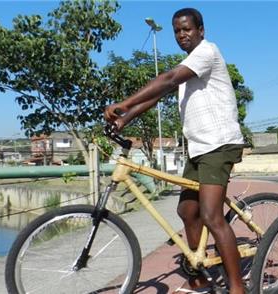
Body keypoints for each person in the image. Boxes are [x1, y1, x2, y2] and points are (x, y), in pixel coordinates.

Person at [104, 8, 246, 294]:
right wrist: (125, 118)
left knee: (210, 215)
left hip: (219, 144)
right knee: (187, 211)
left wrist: (123, 102)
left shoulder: (207, 52)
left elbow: (168, 80)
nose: (182, 35)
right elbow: (159, 95)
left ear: (201, 31)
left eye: (187, 29)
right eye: (177, 31)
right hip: (198, 147)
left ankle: (237, 287)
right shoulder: (190, 65)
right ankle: (198, 274)